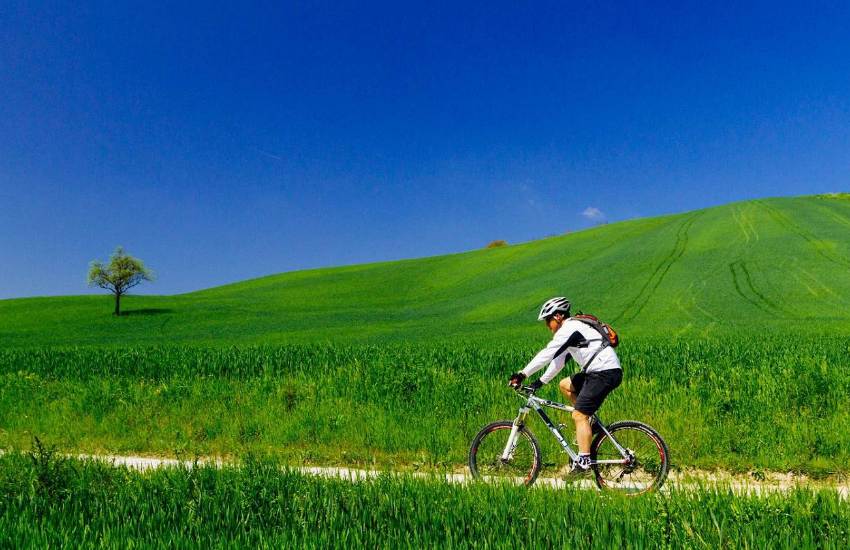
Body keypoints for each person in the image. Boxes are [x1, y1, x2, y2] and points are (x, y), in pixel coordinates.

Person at [508, 297, 623, 474]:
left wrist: (522, 374)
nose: (548, 326)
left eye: (548, 320)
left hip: (603, 372)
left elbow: (548, 353)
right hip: (601, 371)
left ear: (559, 316)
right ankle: (589, 422)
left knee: (578, 415)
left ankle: (584, 462)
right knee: (565, 385)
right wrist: (539, 382)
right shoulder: (572, 332)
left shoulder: (569, 328)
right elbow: (558, 361)